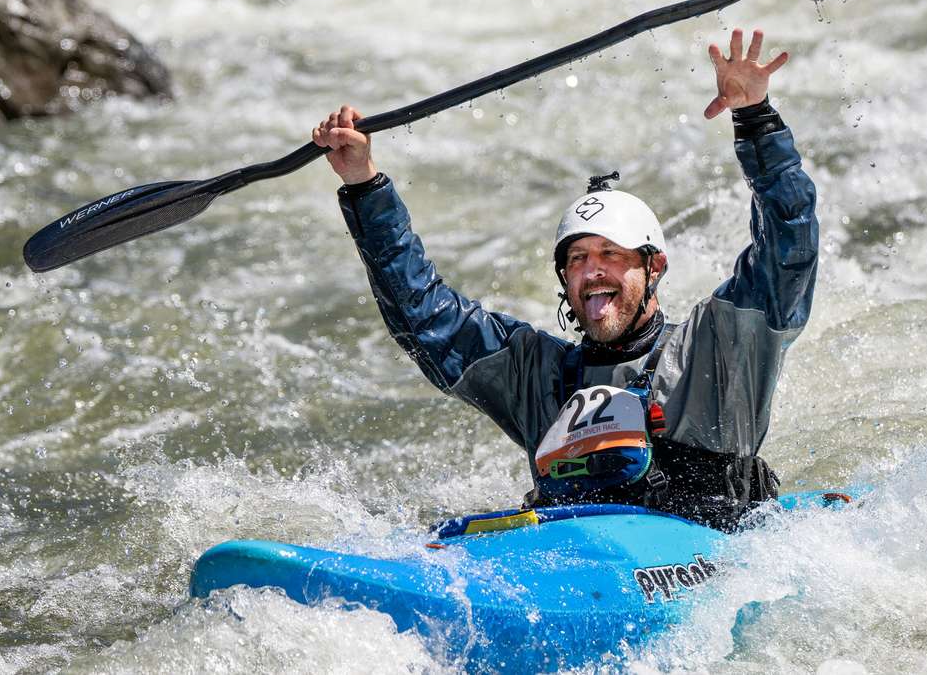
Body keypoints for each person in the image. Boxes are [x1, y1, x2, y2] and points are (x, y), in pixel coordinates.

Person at [313, 28, 817, 531]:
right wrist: (364, 184)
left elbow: (789, 241)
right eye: (576, 259)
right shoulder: (536, 372)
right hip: (576, 568)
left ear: (654, 267)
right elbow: (422, 313)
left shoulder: (723, 342)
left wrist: (755, 117)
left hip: (712, 559)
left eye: (610, 254)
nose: (592, 271)